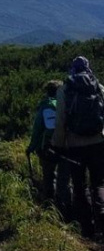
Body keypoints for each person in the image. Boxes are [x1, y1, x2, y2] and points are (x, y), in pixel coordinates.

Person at [52, 56, 104, 238]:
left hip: (75, 146)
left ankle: (87, 228)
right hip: (98, 143)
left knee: (80, 186)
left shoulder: (64, 90)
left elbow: (60, 122)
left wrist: (58, 145)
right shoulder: (99, 87)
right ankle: (102, 219)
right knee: (99, 183)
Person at [27, 80, 71, 215]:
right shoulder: (67, 105)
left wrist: (31, 148)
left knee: (49, 177)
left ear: (48, 91)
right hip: (66, 146)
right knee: (65, 179)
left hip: (47, 148)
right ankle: (67, 208)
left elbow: (37, 130)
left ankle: (50, 209)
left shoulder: (45, 106)